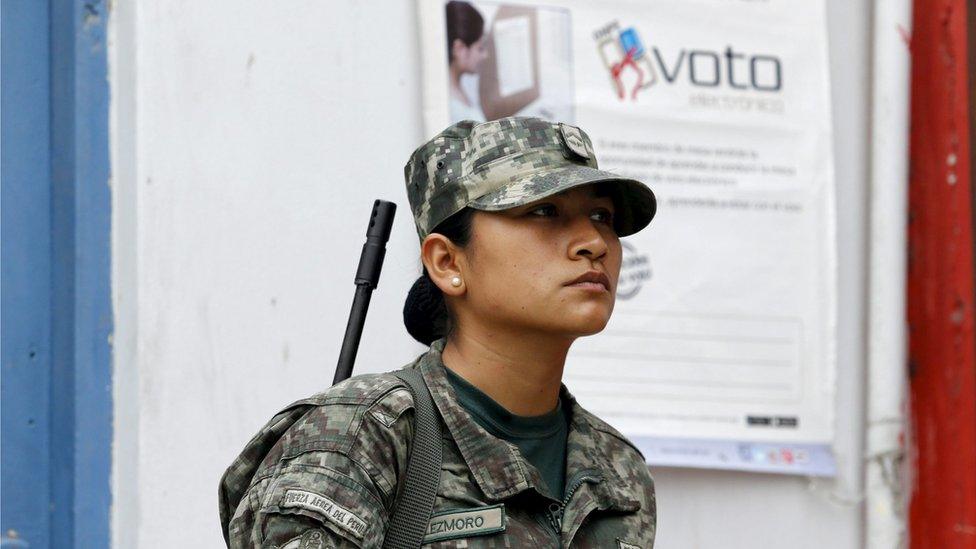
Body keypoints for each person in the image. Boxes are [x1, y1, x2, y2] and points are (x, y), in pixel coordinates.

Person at [219, 116, 658, 548]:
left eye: (602, 215)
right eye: (544, 211)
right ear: (447, 263)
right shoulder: (361, 438)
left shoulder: (618, 471)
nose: (594, 243)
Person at [446, 1, 488, 122]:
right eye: (480, 48)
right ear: (459, 49)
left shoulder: (459, 89)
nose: (485, 55)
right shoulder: (452, 109)